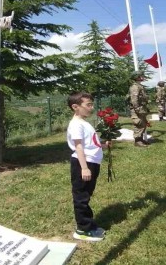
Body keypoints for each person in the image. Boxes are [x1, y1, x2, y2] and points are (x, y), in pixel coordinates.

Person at [66, 92, 107, 242]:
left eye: (92, 104)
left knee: (86, 195)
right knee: (81, 197)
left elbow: (88, 143)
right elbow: (79, 147)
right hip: (83, 163)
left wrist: (103, 145)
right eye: (88, 105)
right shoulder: (76, 124)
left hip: (91, 162)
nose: (92, 107)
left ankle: (89, 224)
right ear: (75, 107)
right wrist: (84, 168)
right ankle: (82, 229)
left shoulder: (83, 122)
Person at [128, 71, 150, 147]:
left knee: (143, 124)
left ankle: (140, 139)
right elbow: (134, 99)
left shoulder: (139, 86)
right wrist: (137, 109)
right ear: (137, 77)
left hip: (142, 108)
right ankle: (137, 141)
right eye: (141, 75)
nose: (143, 77)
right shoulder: (135, 87)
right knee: (138, 123)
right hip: (137, 109)